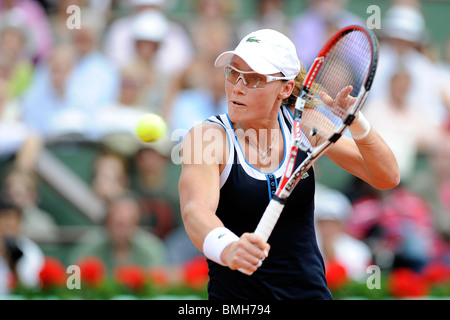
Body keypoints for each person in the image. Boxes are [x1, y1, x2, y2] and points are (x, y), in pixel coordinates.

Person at [178, 29, 400, 299]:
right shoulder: (207, 137)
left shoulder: (307, 125)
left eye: (254, 79)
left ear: (285, 89)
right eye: (233, 73)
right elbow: (195, 211)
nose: (237, 86)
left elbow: (386, 176)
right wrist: (228, 247)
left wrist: (356, 121)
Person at [68, 193, 167, 274]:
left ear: (136, 224)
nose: (121, 231)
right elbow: (73, 281)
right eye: (117, 223)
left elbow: (158, 283)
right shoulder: (89, 245)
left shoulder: (151, 248)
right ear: (107, 222)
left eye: (126, 224)